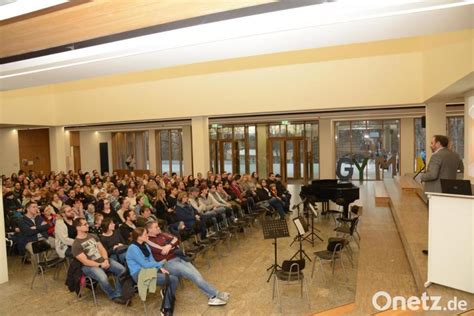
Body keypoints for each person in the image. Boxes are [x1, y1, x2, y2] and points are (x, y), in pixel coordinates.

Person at [146, 221, 229, 306]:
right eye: (156, 227)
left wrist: (170, 245)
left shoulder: (162, 234)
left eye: (158, 226)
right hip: (168, 263)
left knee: (197, 275)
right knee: (193, 276)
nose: (159, 228)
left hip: (179, 257)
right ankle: (214, 294)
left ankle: (212, 296)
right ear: (149, 230)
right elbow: (162, 250)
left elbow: (176, 239)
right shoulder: (148, 240)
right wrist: (173, 246)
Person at [420, 135, 463, 255]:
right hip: (449, 192)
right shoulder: (455, 155)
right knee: (446, 220)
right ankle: (446, 246)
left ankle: (434, 247)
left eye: (432, 143)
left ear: (438, 144)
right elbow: (460, 172)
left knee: (434, 221)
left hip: (435, 193)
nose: (431, 145)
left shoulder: (436, 156)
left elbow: (433, 175)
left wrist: (422, 176)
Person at [72, 217, 127, 305]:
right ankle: (113, 295)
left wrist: (105, 260)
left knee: (122, 270)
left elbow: (102, 249)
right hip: (89, 266)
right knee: (103, 278)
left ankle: (118, 292)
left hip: (103, 260)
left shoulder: (93, 236)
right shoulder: (76, 244)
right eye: (85, 224)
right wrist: (101, 265)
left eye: (87, 223)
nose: (87, 225)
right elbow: (85, 261)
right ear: (78, 228)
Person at [125, 227, 178, 316]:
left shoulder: (145, 245)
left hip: (149, 269)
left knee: (171, 275)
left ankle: (166, 295)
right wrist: (161, 263)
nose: (147, 235)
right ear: (139, 237)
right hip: (139, 274)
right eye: (145, 234)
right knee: (173, 279)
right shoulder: (132, 248)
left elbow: (152, 260)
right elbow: (144, 264)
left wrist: (160, 267)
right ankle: (166, 308)